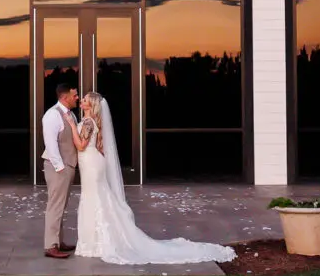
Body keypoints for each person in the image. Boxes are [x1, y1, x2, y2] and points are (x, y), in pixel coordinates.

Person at [65, 91, 236, 266]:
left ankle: (95, 244)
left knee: (94, 199)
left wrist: (71, 126)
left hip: (92, 165)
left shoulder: (87, 122)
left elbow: (81, 145)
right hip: (91, 164)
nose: (81, 100)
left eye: (84, 99)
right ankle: (93, 243)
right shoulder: (90, 122)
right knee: (96, 198)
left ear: (90, 104)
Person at [41, 83, 79, 259]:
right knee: (55, 206)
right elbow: (51, 143)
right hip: (58, 167)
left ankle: (58, 241)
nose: (77, 98)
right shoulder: (52, 115)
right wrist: (60, 167)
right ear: (64, 98)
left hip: (67, 166)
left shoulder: (71, 115)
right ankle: (50, 246)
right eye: (74, 95)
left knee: (61, 206)